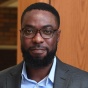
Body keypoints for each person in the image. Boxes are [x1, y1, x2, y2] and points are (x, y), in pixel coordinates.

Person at [0, 2, 88, 88]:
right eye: (29, 31)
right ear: (21, 35)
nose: (38, 39)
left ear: (57, 36)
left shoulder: (84, 82)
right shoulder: (2, 80)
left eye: (47, 31)